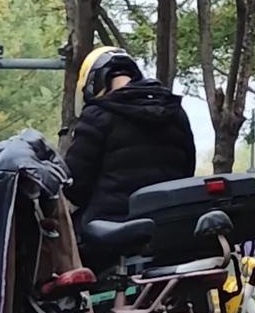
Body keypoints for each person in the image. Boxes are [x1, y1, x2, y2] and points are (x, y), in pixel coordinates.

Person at [65, 47, 195, 257]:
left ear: (94, 83)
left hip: (108, 232)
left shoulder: (97, 115)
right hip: (168, 231)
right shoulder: (175, 112)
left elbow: (75, 186)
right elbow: (187, 171)